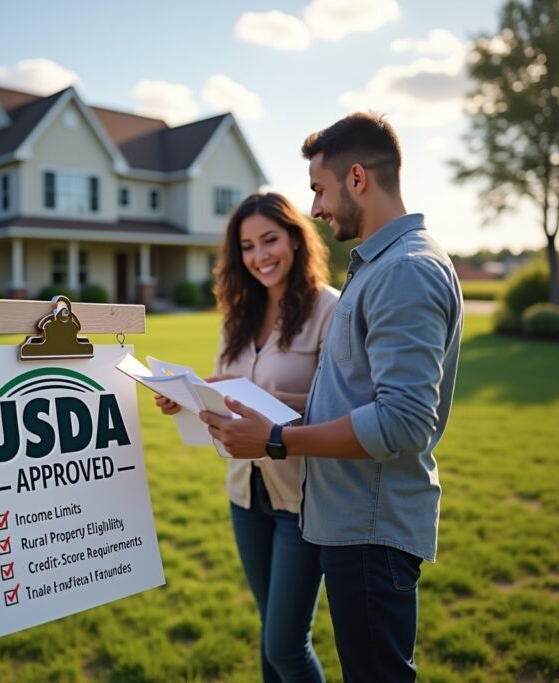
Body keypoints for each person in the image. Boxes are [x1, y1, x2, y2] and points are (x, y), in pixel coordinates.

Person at [200, 113, 464, 682]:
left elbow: (402, 423)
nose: (316, 208)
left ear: (358, 179)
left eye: (319, 189)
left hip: (370, 528)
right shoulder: (380, 267)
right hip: (344, 519)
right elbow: (342, 399)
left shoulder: (405, 271)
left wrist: (274, 439)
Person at [156, 192, 338, 682]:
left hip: (302, 499)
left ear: (296, 241)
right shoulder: (238, 313)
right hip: (245, 494)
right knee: (269, 632)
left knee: (286, 645)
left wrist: (263, 404)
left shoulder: (329, 310)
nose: (260, 256)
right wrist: (189, 396)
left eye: (270, 240)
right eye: (247, 245)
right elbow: (224, 390)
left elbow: (339, 408)